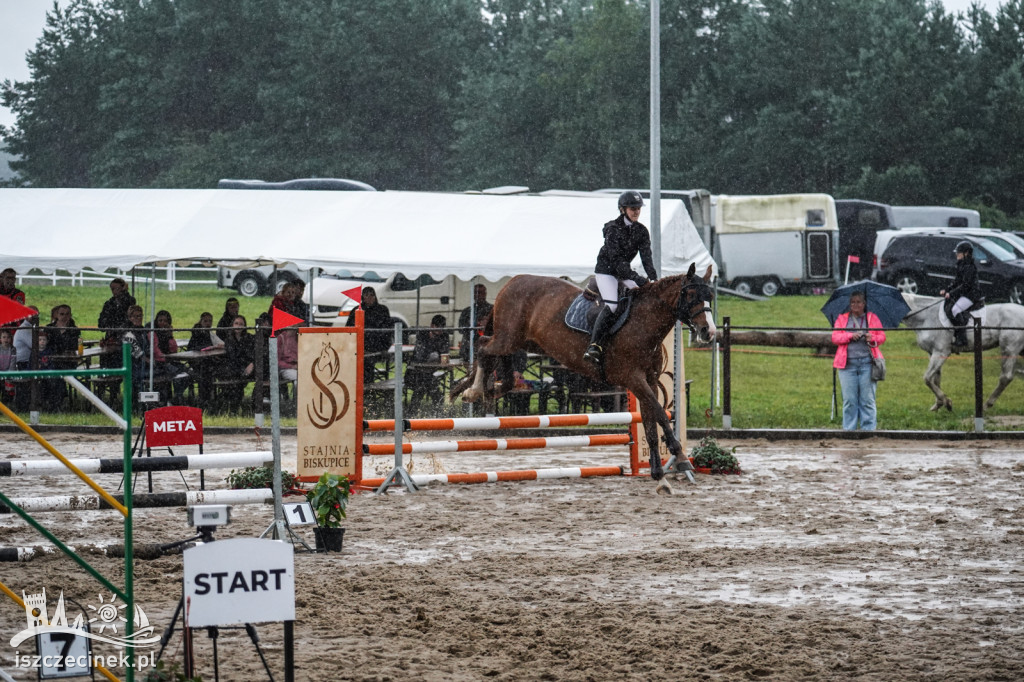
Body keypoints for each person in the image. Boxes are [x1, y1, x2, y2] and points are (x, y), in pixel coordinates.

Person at [583, 191, 659, 364]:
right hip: (606, 272)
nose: (636, 212)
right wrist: (637, 278)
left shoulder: (641, 231)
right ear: (622, 209)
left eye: (638, 208)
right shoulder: (612, 229)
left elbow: (647, 258)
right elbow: (616, 262)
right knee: (612, 305)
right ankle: (594, 345)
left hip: (623, 272)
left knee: (642, 297)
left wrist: (654, 279)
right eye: (633, 208)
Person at [831, 291, 886, 431]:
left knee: (867, 400)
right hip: (847, 365)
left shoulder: (872, 318)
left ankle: (868, 430)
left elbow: (882, 337)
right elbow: (835, 337)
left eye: (858, 302)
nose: (855, 305)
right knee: (849, 400)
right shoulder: (842, 319)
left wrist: (871, 337)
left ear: (864, 304)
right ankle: (849, 430)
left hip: (867, 363)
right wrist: (849, 336)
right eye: (853, 302)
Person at [345, 287, 393, 384]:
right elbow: (349, 329)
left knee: (366, 362)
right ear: (362, 297)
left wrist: (383, 347)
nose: (369, 298)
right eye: (366, 295)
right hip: (359, 346)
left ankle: (367, 387)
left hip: (377, 347)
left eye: (372, 295)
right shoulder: (357, 311)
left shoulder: (382, 310)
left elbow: (387, 331)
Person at [941, 241, 981, 349]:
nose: (956, 254)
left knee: (955, 310)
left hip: (971, 295)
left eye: (959, 252)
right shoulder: (961, 265)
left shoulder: (970, 267)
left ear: (966, 253)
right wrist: (947, 290)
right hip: (964, 294)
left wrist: (952, 293)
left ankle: (962, 339)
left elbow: (965, 285)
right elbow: (956, 282)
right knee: (948, 307)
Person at [407, 314, 450, 412]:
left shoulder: (444, 336)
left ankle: (413, 411)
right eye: (437, 326)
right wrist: (433, 348)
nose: (439, 330)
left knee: (424, 385)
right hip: (414, 373)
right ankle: (438, 410)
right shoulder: (422, 335)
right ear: (431, 325)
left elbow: (444, 352)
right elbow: (420, 357)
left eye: (441, 327)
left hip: (429, 373)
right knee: (427, 384)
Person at [98, 278, 136, 368]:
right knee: (106, 360)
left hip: (124, 339)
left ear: (123, 288)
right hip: (111, 340)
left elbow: (128, 319)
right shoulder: (109, 304)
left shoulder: (129, 301)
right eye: (112, 289)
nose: (114, 291)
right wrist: (108, 325)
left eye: (117, 289)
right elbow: (101, 323)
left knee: (121, 361)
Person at [458, 284, 493, 361]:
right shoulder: (467, 311)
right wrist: (474, 324)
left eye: (481, 292)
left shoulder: (492, 310)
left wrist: (488, 324)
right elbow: (460, 329)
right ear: (473, 295)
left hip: (488, 346)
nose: (479, 295)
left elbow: (499, 328)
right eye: (476, 293)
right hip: (469, 347)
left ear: (485, 294)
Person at [45, 304, 81, 370]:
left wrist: (63, 332)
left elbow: (73, 346)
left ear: (70, 315)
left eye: (67, 314)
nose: (64, 316)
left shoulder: (74, 330)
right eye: (62, 314)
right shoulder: (49, 328)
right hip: (51, 361)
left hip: (69, 361)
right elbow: (46, 345)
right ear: (57, 315)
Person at [0, 329, 18, 404]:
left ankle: (8, 405)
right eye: (4, 337)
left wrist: (8, 375)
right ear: (0, 339)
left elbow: (12, 364)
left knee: (8, 390)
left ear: (11, 339)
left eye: (8, 337)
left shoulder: (13, 349)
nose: (6, 339)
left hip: (8, 373)